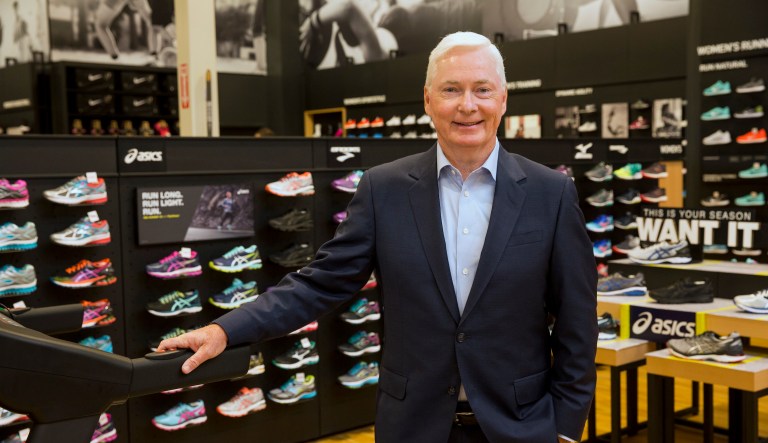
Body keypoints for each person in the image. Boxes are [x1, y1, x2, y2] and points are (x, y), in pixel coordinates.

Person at [159, 31, 597, 443]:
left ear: (502, 99)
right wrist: (224, 329)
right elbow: (320, 283)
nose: (467, 105)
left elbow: (576, 317)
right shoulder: (383, 188)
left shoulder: (550, 193)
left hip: (521, 427)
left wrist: (566, 425)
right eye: (450, 89)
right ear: (428, 100)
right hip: (413, 427)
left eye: (482, 89)